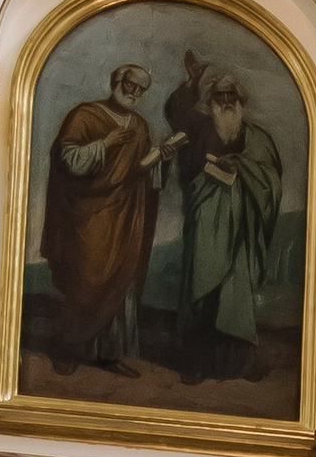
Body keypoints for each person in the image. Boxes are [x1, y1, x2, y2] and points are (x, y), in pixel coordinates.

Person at [41, 63, 164, 372]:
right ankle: (71, 349)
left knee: (121, 280)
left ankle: (108, 353)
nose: (134, 92)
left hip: (125, 216)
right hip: (88, 215)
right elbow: (67, 159)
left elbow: (141, 170)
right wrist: (104, 144)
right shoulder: (85, 115)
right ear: (116, 82)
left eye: (140, 89)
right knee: (86, 277)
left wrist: (161, 161)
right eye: (130, 85)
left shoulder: (139, 126)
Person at [175, 68, 284, 382]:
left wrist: (239, 165)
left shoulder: (258, 138)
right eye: (219, 97)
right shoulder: (199, 133)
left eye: (231, 97)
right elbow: (186, 176)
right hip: (206, 225)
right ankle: (195, 364)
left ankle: (236, 363)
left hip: (242, 231)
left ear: (240, 101)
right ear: (210, 102)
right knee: (202, 292)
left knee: (234, 296)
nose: (226, 103)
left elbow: (272, 183)